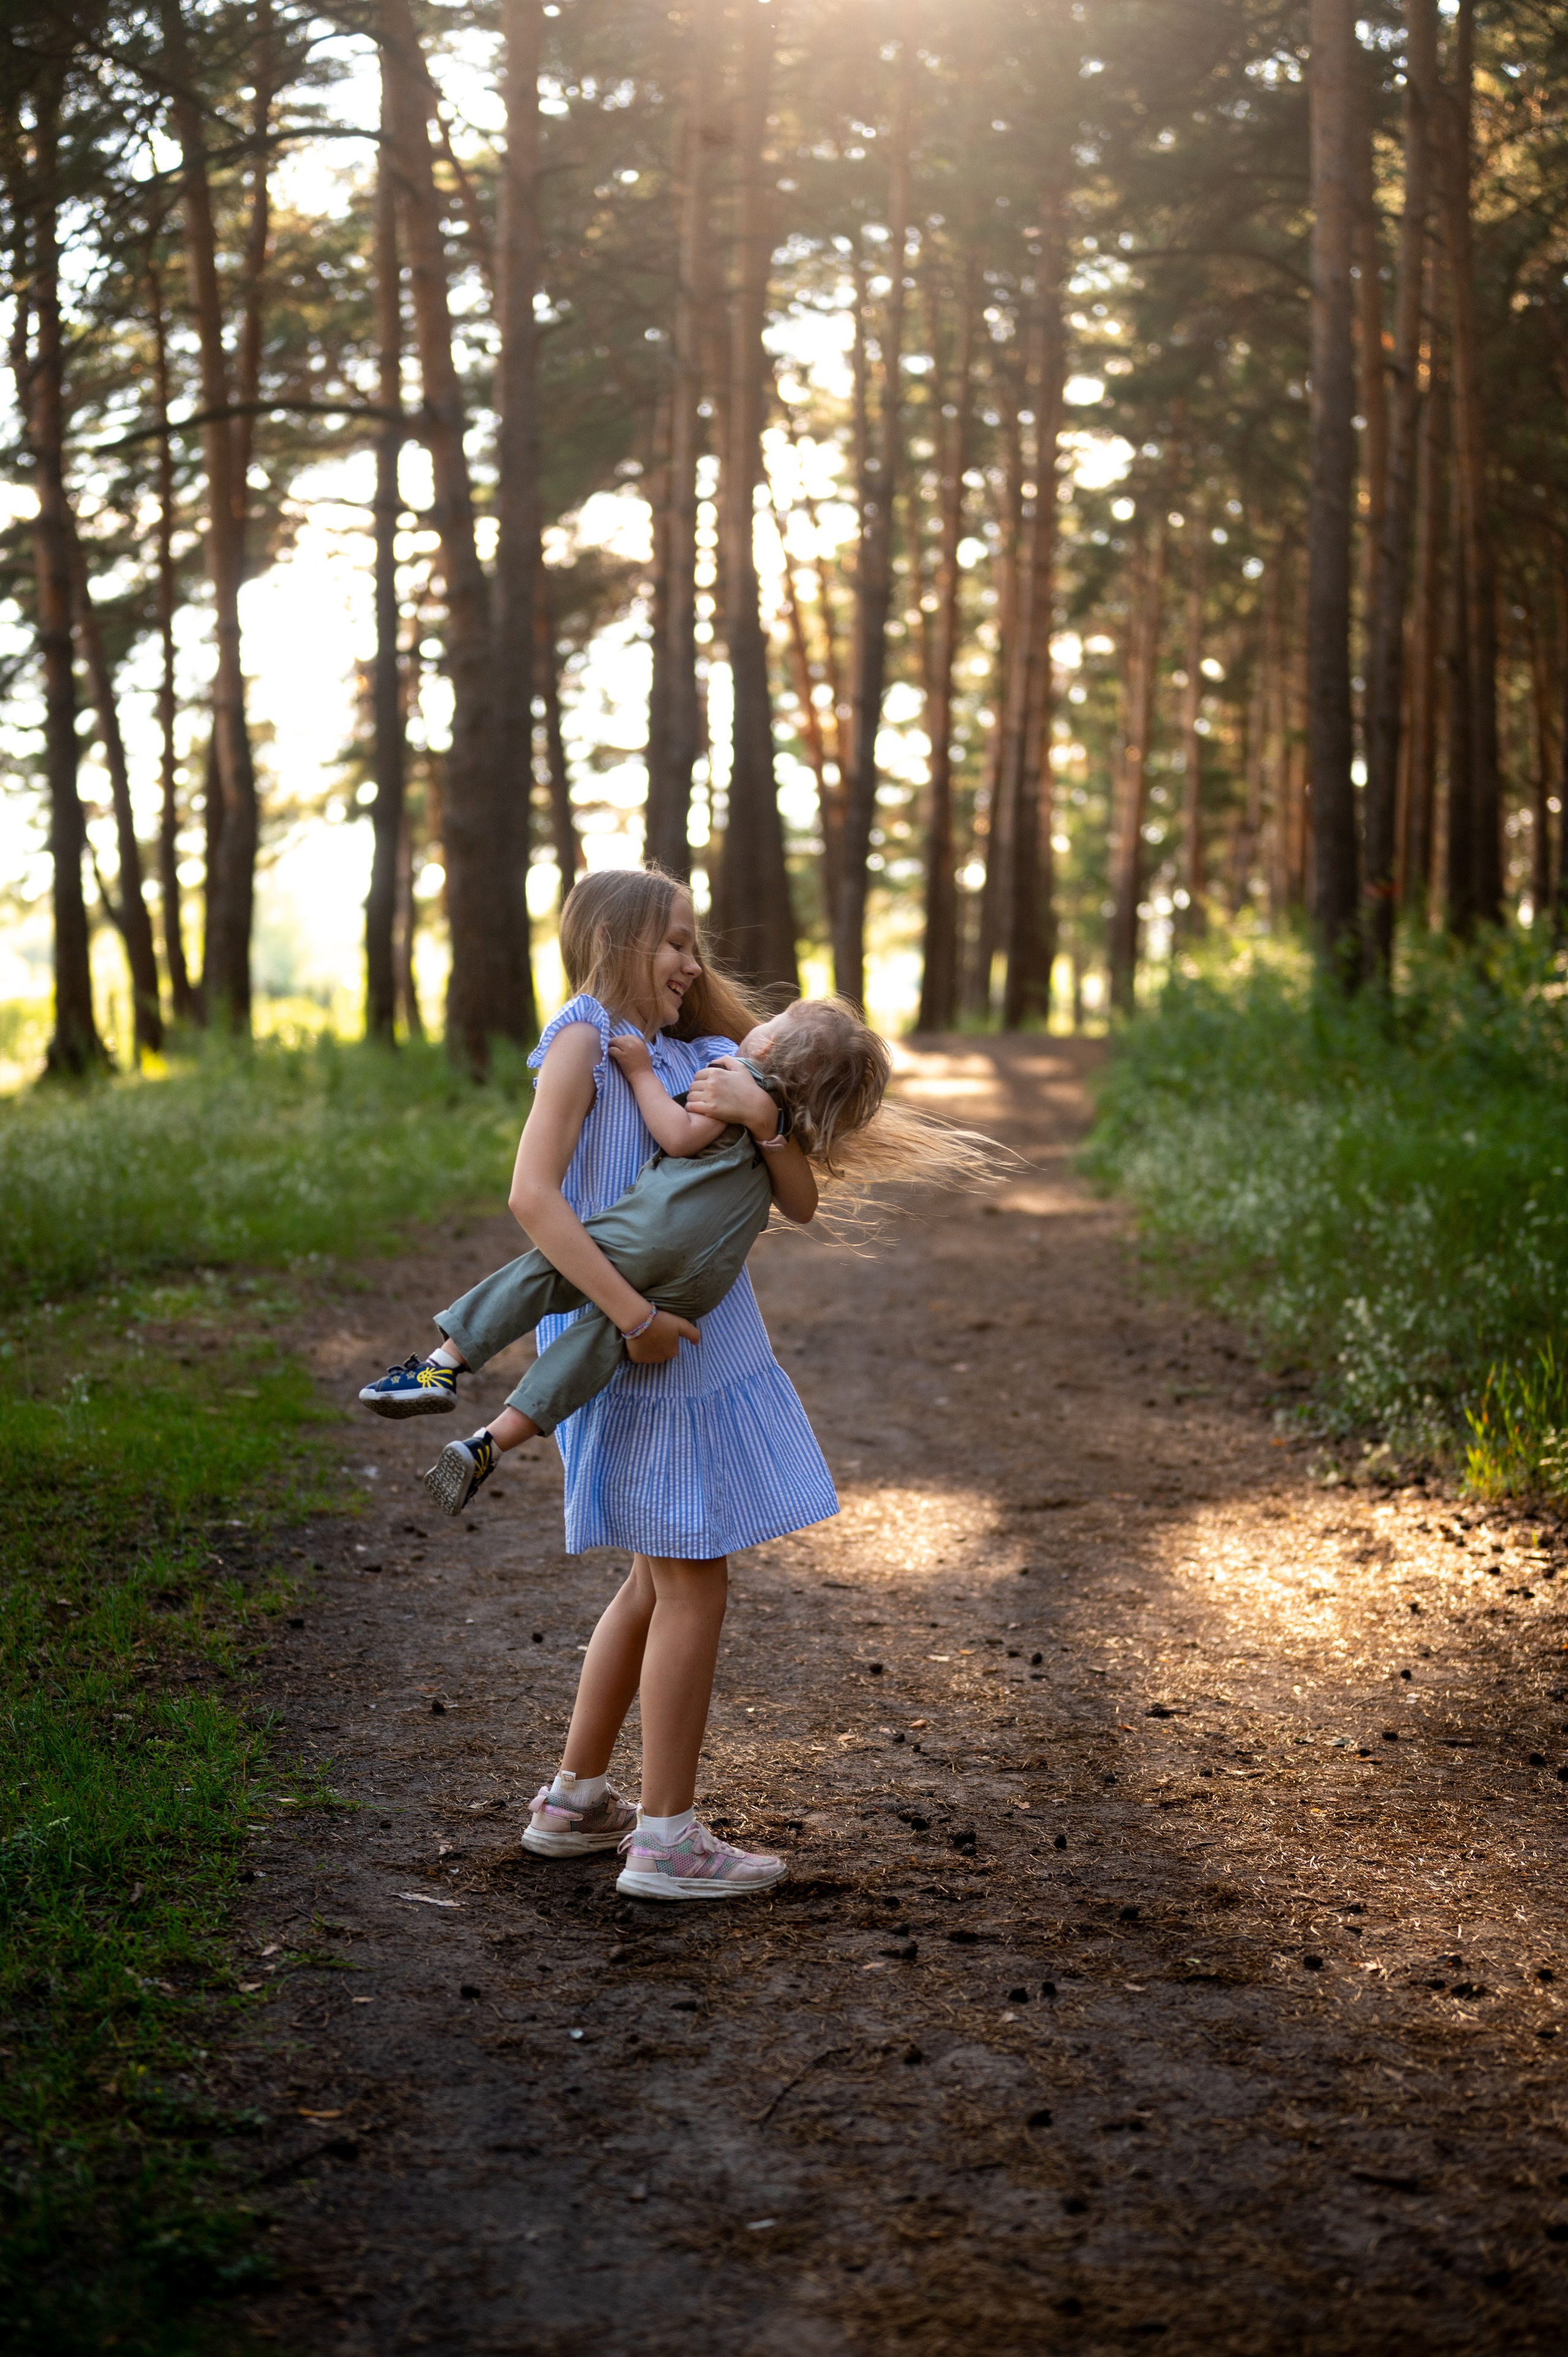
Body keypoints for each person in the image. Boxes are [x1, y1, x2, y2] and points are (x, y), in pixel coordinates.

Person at [360, 996, 913, 1496]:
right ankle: (488, 1443)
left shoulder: (732, 1073)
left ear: (766, 1044)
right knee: (600, 1341)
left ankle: (441, 1365)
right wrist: (770, 1131)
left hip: (652, 1234)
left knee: (544, 1272)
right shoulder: (787, 1130)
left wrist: (642, 1072)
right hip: (700, 1287)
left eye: (770, 1019)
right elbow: (803, 1208)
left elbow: (678, 1135)